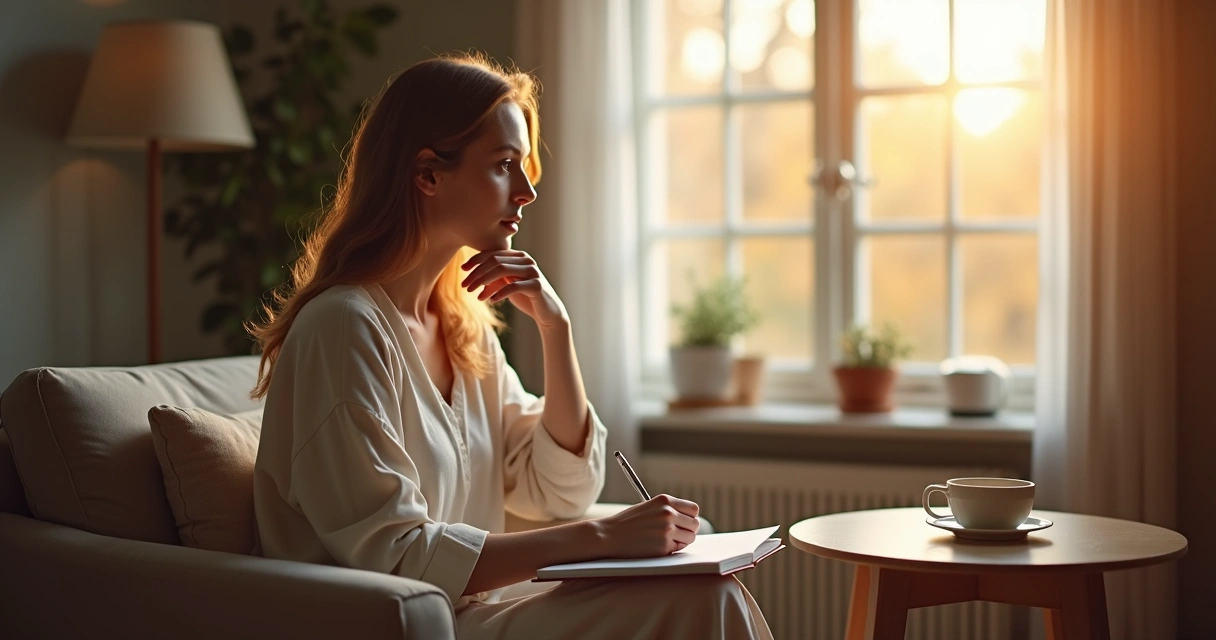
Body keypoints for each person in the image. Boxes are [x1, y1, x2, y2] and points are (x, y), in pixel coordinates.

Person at [248, 53, 774, 639]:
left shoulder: (461, 327)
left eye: (522, 167)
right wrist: (606, 537)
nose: (526, 191)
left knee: (703, 584)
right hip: (393, 625)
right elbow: (392, 552)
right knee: (701, 602)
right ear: (427, 174)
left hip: (472, 610)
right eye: (503, 166)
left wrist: (557, 329)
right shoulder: (343, 329)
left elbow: (560, 490)